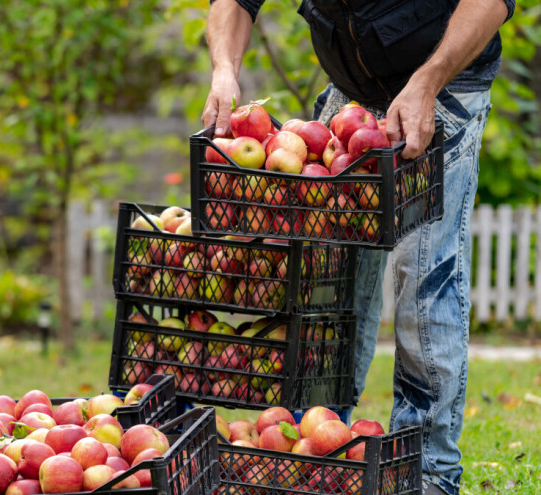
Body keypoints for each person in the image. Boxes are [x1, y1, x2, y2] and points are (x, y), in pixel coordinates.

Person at [201, 1, 514, 494]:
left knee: (424, 278)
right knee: (327, 285)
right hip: (352, 101)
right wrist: (224, 70)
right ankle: (319, 450)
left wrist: (427, 81)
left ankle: (427, 471)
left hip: (442, 88)